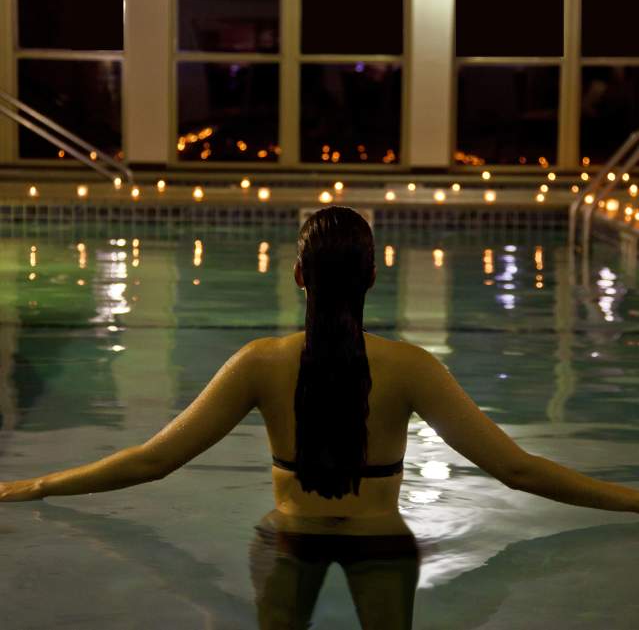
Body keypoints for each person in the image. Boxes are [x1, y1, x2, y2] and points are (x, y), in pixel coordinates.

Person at [1, 206, 639, 629]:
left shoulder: (258, 362)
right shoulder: (412, 367)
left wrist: (34, 485)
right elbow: (516, 470)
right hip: (381, 543)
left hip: (289, 541)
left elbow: (154, 460)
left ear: (299, 275)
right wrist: (633, 499)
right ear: (371, 277)